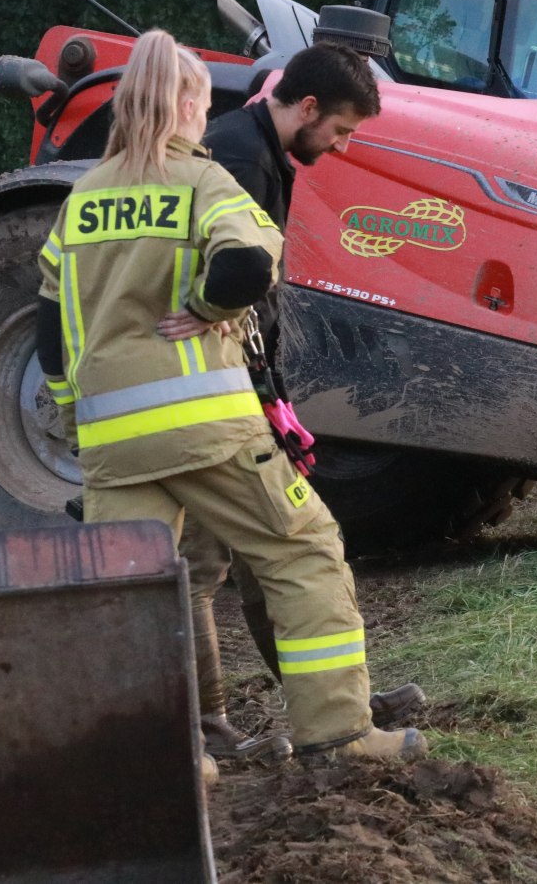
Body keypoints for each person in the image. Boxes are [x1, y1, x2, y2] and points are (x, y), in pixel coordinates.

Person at [36, 29, 427, 770]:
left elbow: (50, 325)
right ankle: (339, 735)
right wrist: (206, 308)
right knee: (303, 549)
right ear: (189, 104)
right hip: (206, 428)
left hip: (111, 442)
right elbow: (249, 263)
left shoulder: (81, 195)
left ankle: (164, 757)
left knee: (136, 596)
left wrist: (71, 411)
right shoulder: (203, 181)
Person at [178, 42, 424, 762]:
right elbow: (231, 280)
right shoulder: (240, 159)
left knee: (266, 557)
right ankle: (210, 726)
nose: (342, 147)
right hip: (212, 393)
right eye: (341, 130)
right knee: (209, 561)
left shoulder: (253, 149)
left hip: (234, 386)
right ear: (307, 107)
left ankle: (330, 700)